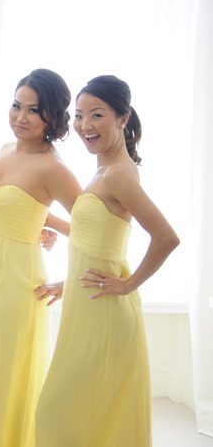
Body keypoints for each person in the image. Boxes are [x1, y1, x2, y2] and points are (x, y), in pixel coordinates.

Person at [35, 75, 179, 447]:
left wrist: (129, 284)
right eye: (79, 115)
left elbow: (167, 238)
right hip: (87, 306)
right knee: (84, 413)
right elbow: (99, 243)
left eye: (96, 115)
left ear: (123, 118)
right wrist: (68, 281)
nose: (84, 126)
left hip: (105, 315)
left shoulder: (117, 174)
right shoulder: (104, 171)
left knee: (59, 408)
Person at [0, 69, 81, 447]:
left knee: (6, 375)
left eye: (33, 111)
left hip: (20, 286)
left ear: (52, 116)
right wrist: (42, 220)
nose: (20, 117)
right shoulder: (6, 150)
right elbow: (6, 205)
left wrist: (70, 284)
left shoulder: (53, 168)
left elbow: (94, 229)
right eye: (16, 105)